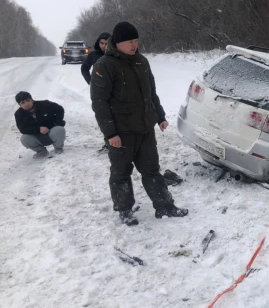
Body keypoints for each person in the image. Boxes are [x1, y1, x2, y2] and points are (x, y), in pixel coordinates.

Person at [90, 21, 188, 226]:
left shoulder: (142, 61)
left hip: (144, 129)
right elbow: (99, 103)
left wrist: (159, 116)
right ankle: (125, 210)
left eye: (136, 40)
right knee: (121, 173)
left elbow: (151, 93)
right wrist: (110, 134)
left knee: (152, 169)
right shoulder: (104, 66)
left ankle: (164, 206)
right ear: (117, 43)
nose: (134, 45)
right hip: (121, 132)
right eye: (129, 41)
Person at [81, 32, 111, 152]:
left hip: (115, 90)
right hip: (99, 91)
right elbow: (84, 68)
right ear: (98, 43)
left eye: (106, 43)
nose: (104, 46)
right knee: (103, 116)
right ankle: (108, 141)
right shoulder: (93, 55)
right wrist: (90, 81)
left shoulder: (116, 55)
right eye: (102, 43)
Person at [14, 91, 66, 159]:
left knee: (59, 130)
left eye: (28, 100)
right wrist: (38, 129)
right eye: (23, 103)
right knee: (24, 139)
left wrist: (56, 124)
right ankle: (41, 151)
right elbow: (23, 129)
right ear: (20, 105)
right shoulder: (19, 114)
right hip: (37, 136)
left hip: (51, 132)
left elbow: (60, 109)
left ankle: (58, 148)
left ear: (32, 99)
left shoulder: (45, 104)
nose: (26, 104)